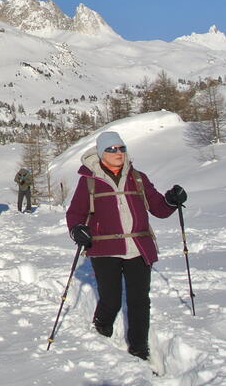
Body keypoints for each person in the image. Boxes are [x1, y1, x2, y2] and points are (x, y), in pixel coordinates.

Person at [65, 130, 187, 363]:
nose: (118, 153)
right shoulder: (89, 181)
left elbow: (159, 208)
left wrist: (172, 200)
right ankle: (101, 329)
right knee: (110, 299)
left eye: (121, 148)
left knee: (140, 300)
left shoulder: (138, 177)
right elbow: (75, 214)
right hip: (104, 249)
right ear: (102, 153)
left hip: (139, 246)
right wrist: (77, 229)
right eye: (112, 149)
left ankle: (140, 349)